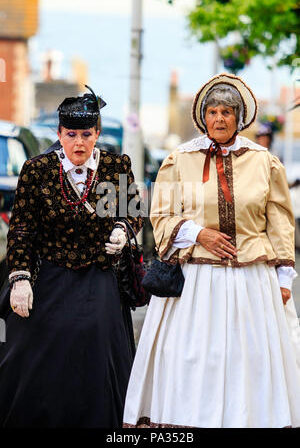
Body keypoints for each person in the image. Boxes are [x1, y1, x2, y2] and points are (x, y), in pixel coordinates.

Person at [123, 73, 300, 428]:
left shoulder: (264, 162)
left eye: (227, 112)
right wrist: (199, 234)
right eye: (213, 112)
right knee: (194, 355)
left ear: (239, 117)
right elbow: (161, 214)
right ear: (203, 117)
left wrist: (283, 276)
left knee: (246, 357)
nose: (219, 118)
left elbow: (279, 220)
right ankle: (189, 420)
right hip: (195, 280)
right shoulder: (179, 159)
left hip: (251, 279)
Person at [0, 86, 143, 428]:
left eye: (87, 135)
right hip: (49, 273)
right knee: (39, 350)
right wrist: (20, 277)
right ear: (60, 134)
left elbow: (133, 211)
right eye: (71, 135)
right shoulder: (38, 170)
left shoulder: (113, 166)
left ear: (97, 134)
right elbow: (21, 229)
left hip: (98, 273)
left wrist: (123, 229)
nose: (79, 143)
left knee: (95, 346)